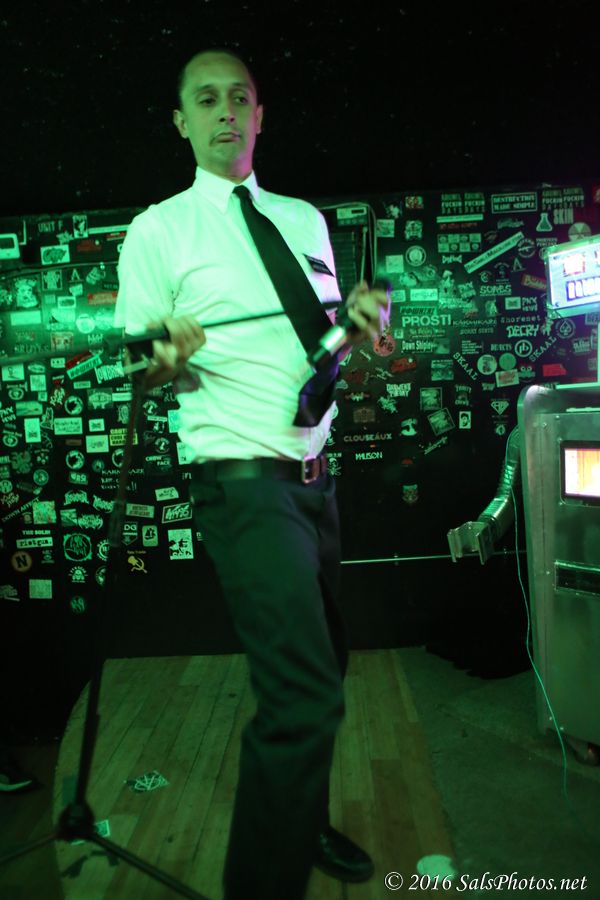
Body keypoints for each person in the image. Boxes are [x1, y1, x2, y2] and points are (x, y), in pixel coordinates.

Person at [114, 47, 390, 900]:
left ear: (260, 115)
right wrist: (165, 357)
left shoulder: (305, 220)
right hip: (242, 486)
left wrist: (355, 327)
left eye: (240, 97)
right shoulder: (158, 230)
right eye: (207, 100)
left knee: (324, 667)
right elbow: (141, 368)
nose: (226, 111)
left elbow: (320, 350)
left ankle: (300, 819)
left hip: (315, 479)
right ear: (182, 121)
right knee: (304, 699)